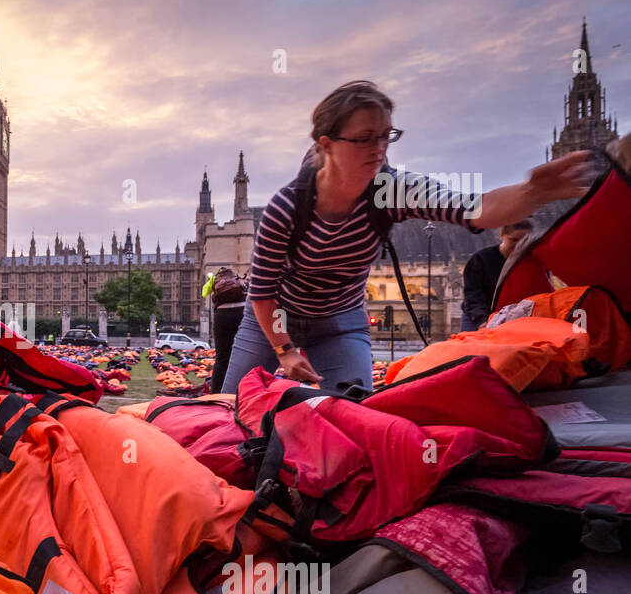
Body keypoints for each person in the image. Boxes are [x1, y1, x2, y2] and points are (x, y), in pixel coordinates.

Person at [221, 80, 592, 395]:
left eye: (385, 136)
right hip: (276, 317)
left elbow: (473, 208)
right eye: (365, 138)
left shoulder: (391, 191)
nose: (379, 149)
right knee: (232, 408)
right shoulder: (287, 208)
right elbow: (263, 292)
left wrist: (532, 192)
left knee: (350, 415)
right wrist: (284, 350)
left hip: (339, 318)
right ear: (326, 144)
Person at [461, 220, 533, 331]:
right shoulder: (481, 259)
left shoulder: (532, 262)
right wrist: (482, 321)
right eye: (513, 240)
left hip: (515, 316)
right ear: (502, 236)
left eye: (525, 240)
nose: (519, 245)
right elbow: (473, 295)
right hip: (479, 315)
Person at [202, 267, 247, 393]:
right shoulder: (241, 281)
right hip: (242, 312)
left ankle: (216, 393)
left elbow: (204, 293)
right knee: (244, 354)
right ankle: (241, 391)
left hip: (222, 314)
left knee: (222, 358)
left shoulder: (213, 281)